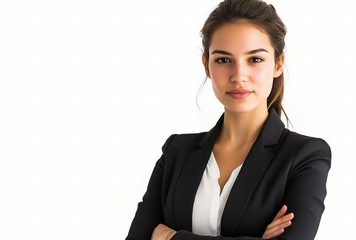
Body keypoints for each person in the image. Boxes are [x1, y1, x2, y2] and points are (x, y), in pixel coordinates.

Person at [126, 0, 331, 239]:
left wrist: (173, 237)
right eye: (223, 60)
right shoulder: (176, 152)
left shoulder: (305, 155)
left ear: (277, 64)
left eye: (254, 59)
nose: (238, 76)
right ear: (207, 65)